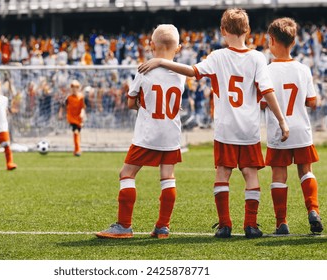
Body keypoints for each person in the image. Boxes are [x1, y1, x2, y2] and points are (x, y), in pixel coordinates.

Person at [138, 8, 289, 238]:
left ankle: (225, 224)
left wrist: (161, 61)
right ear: (247, 30)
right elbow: (267, 92)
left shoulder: (218, 56)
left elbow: (191, 71)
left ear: (222, 31)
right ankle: (250, 224)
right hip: (249, 129)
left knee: (222, 174)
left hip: (225, 129)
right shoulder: (258, 57)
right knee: (251, 175)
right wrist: (281, 120)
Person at [96, 24, 185, 239]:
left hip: (148, 134)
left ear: (151, 45)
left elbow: (130, 103)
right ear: (179, 48)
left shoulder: (144, 70)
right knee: (167, 177)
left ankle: (124, 226)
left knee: (126, 174)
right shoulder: (182, 74)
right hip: (171, 134)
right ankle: (163, 227)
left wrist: (142, 106)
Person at [261, 17, 323, 234]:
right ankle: (313, 210)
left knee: (279, 175)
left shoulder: (266, 71)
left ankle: (282, 223)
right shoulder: (303, 69)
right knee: (306, 171)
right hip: (301, 129)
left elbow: (262, 102)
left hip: (279, 129)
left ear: (271, 41)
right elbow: (312, 102)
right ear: (294, 42)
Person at [58, 79, 86, 157]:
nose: (74, 89)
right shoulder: (69, 98)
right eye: (72, 87)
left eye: (76, 87)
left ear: (78, 88)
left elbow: (83, 107)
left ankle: (76, 149)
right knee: (76, 132)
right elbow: (63, 105)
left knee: (77, 133)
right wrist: (60, 113)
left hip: (79, 118)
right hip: (71, 118)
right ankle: (78, 150)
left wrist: (82, 114)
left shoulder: (81, 97)